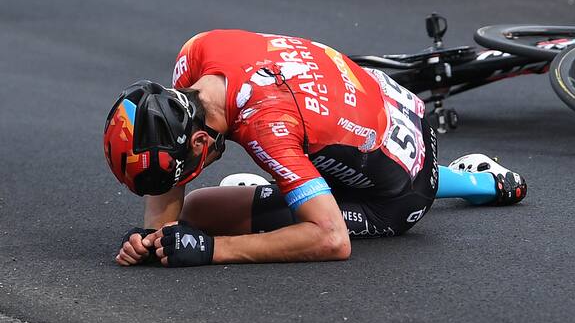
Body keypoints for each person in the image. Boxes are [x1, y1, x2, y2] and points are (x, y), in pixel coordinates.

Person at [103, 29, 527, 267]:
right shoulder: (197, 53)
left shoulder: (267, 126)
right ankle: (481, 178)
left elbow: (331, 240)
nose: (169, 185)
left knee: (201, 214)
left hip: (400, 195)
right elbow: (172, 149)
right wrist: (155, 234)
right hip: (390, 103)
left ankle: (482, 183)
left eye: (172, 173)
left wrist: (214, 250)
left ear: (198, 140)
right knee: (200, 210)